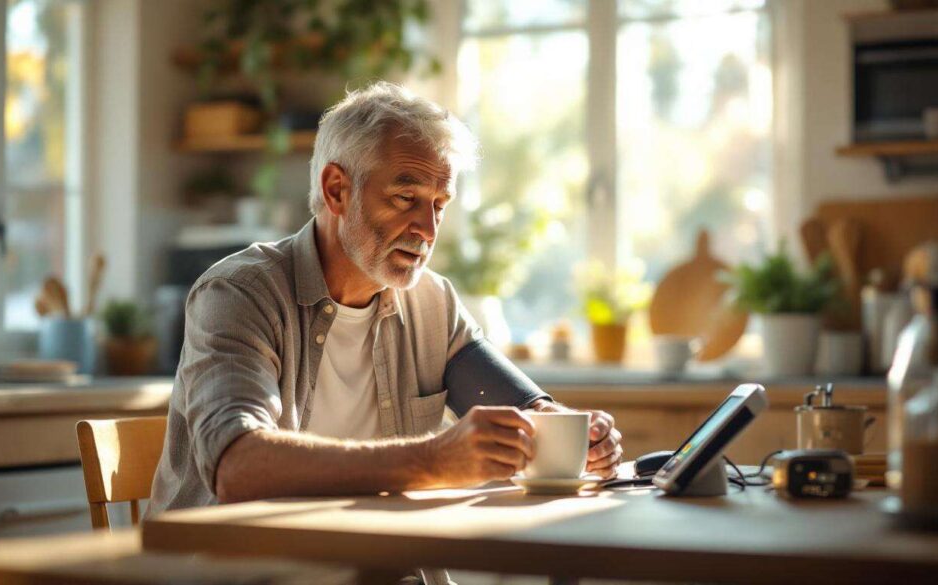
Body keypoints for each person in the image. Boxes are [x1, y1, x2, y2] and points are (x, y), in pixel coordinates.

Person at [147, 81, 623, 516]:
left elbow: (528, 412)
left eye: (439, 205)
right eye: (405, 198)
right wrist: (434, 459)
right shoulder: (239, 294)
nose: (428, 230)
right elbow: (238, 466)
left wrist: (579, 437)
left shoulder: (433, 303)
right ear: (337, 190)